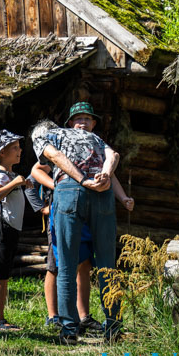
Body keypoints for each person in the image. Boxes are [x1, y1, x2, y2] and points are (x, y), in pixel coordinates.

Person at [31, 116, 121, 344]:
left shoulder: (46, 135)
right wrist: (105, 175)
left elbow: (54, 156)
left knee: (68, 265)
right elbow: (114, 156)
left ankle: (69, 330)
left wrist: (82, 180)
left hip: (70, 188)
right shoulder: (94, 136)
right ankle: (114, 328)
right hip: (103, 190)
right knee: (107, 265)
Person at [0, 129, 26, 332]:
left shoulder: (9, 175)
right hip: (1, 228)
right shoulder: (2, 175)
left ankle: (0, 319)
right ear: (2, 152)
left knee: (4, 275)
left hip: (9, 228)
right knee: (0, 275)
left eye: (19, 147)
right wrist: (15, 182)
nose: (19, 151)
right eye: (14, 148)